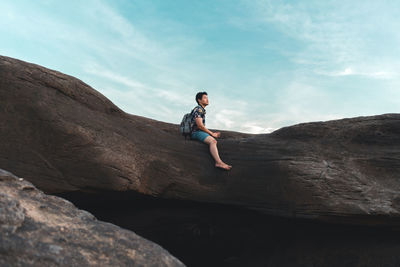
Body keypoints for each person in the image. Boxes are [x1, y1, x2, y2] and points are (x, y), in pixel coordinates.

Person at [190, 92, 232, 171]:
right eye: (205, 98)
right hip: (195, 132)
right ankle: (218, 162)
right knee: (213, 141)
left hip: (197, 131)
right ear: (199, 100)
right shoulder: (199, 109)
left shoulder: (201, 109)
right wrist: (212, 134)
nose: (207, 99)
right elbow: (200, 125)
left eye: (207, 97)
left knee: (212, 138)